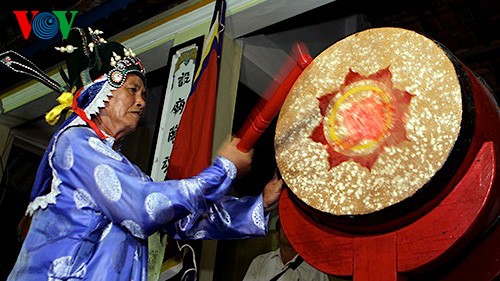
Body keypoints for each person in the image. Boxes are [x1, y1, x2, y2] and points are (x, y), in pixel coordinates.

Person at [3, 27, 283, 281]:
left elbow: (185, 220)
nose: (141, 101)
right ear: (100, 91)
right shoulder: (74, 142)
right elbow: (144, 207)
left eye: (144, 94)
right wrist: (224, 170)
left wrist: (258, 204)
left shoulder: (125, 171)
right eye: (132, 90)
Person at [243, 218, 330, 281]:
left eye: (294, 229)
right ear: (277, 234)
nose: (290, 232)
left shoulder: (314, 268)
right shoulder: (260, 262)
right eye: (285, 228)